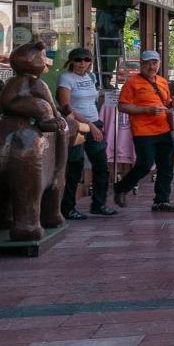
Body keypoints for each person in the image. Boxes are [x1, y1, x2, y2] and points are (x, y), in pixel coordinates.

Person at [112, 50, 174, 212]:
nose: (152, 66)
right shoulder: (132, 82)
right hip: (143, 131)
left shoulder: (162, 81)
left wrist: (172, 103)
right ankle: (122, 187)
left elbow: (166, 101)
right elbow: (122, 106)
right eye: (148, 63)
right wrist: (147, 110)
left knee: (166, 166)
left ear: (159, 64)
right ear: (141, 64)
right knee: (145, 164)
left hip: (163, 129)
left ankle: (161, 201)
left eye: (155, 63)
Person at [57, 48, 115, 219]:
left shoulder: (91, 77)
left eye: (86, 59)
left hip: (94, 122)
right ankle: (68, 208)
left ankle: (99, 203)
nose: (83, 63)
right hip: (78, 126)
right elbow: (66, 107)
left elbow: (93, 99)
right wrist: (89, 124)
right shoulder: (66, 78)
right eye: (78, 60)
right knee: (74, 167)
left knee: (101, 165)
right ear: (71, 61)